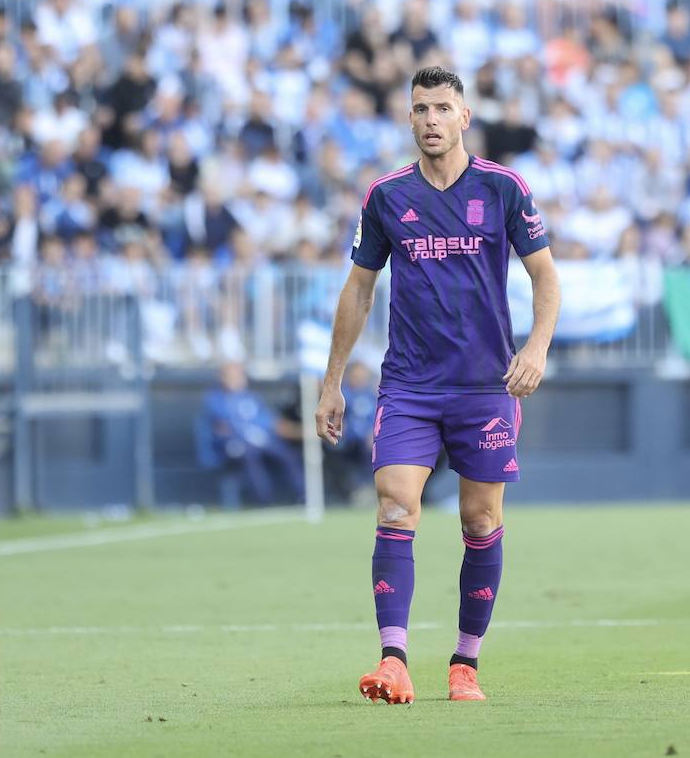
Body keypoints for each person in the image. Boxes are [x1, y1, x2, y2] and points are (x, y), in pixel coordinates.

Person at [315, 66, 560, 705]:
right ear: (409, 117)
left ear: (464, 117)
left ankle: (464, 664)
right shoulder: (387, 196)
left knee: (480, 521)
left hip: (485, 386)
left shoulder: (503, 189)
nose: (430, 119)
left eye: (442, 108)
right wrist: (332, 381)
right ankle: (393, 659)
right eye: (420, 108)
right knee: (396, 504)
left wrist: (535, 346)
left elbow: (545, 278)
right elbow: (360, 289)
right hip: (410, 387)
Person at [195, 361, 305, 506]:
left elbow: (270, 422)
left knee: (286, 453)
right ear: (223, 378)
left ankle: (303, 495)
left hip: (261, 442)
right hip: (231, 446)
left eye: (239, 376)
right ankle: (265, 500)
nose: (237, 380)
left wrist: (299, 431)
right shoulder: (214, 400)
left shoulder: (252, 398)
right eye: (232, 376)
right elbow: (222, 428)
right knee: (249, 454)